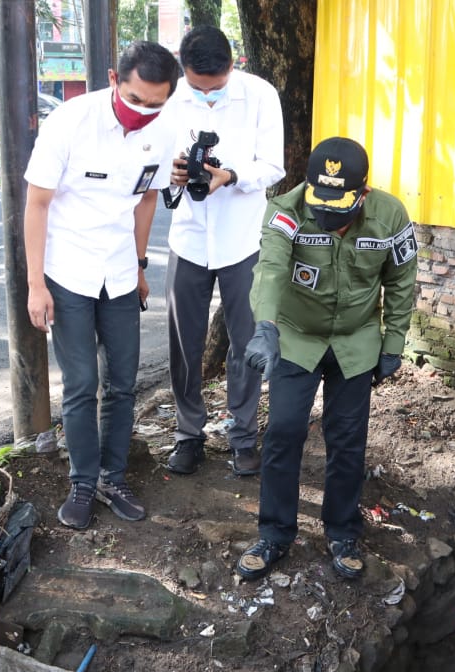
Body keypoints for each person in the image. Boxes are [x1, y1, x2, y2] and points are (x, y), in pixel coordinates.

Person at [236, 137, 417, 582]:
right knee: (282, 432)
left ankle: (342, 533)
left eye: (340, 205)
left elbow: (401, 280)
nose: (328, 214)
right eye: (322, 203)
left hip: (355, 343)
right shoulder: (285, 208)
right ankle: (275, 534)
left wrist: (393, 343)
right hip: (297, 339)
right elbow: (272, 269)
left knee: (348, 441)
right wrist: (266, 327)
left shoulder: (390, 215)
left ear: (363, 191)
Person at [23, 41, 179, 530]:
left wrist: (137, 266)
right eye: (136, 100)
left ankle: (114, 477)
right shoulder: (69, 122)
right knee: (81, 384)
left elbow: (147, 200)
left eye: (156, 104)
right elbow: (38, 205)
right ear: (114, 79)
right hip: (67, 272)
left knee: (123, 382)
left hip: (118, 272)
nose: (144, 112)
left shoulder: (165, 129)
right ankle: (83, 481)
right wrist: (35, 285)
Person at [160, 25, 285, 478]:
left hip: (244, 239)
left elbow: (274, 164)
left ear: (233, 65)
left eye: (217, 86)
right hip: (187, 238)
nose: (208, 94)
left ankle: (243, 436)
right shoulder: (170, 98)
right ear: (183, 71)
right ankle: (187, 434)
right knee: (183, 343)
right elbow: (149, 162)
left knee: (247, 341)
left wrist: (230, 176)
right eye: (198, 87)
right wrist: (171, 174)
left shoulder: (260, 95)